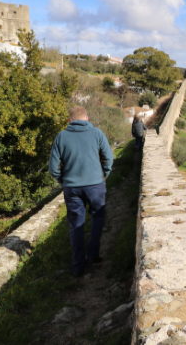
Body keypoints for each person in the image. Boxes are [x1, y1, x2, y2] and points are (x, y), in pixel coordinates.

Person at [49, 106, 113, 276]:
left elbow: (53, 168)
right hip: (95, 185)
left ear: (69, 120)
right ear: (87, 118)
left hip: (72, 188)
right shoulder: (97, 133)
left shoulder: (61, 137)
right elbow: (108, 158)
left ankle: (78, 266)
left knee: (76, 225)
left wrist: (63, 180)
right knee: (98, 215)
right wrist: (103, 175)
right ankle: (93, 254)